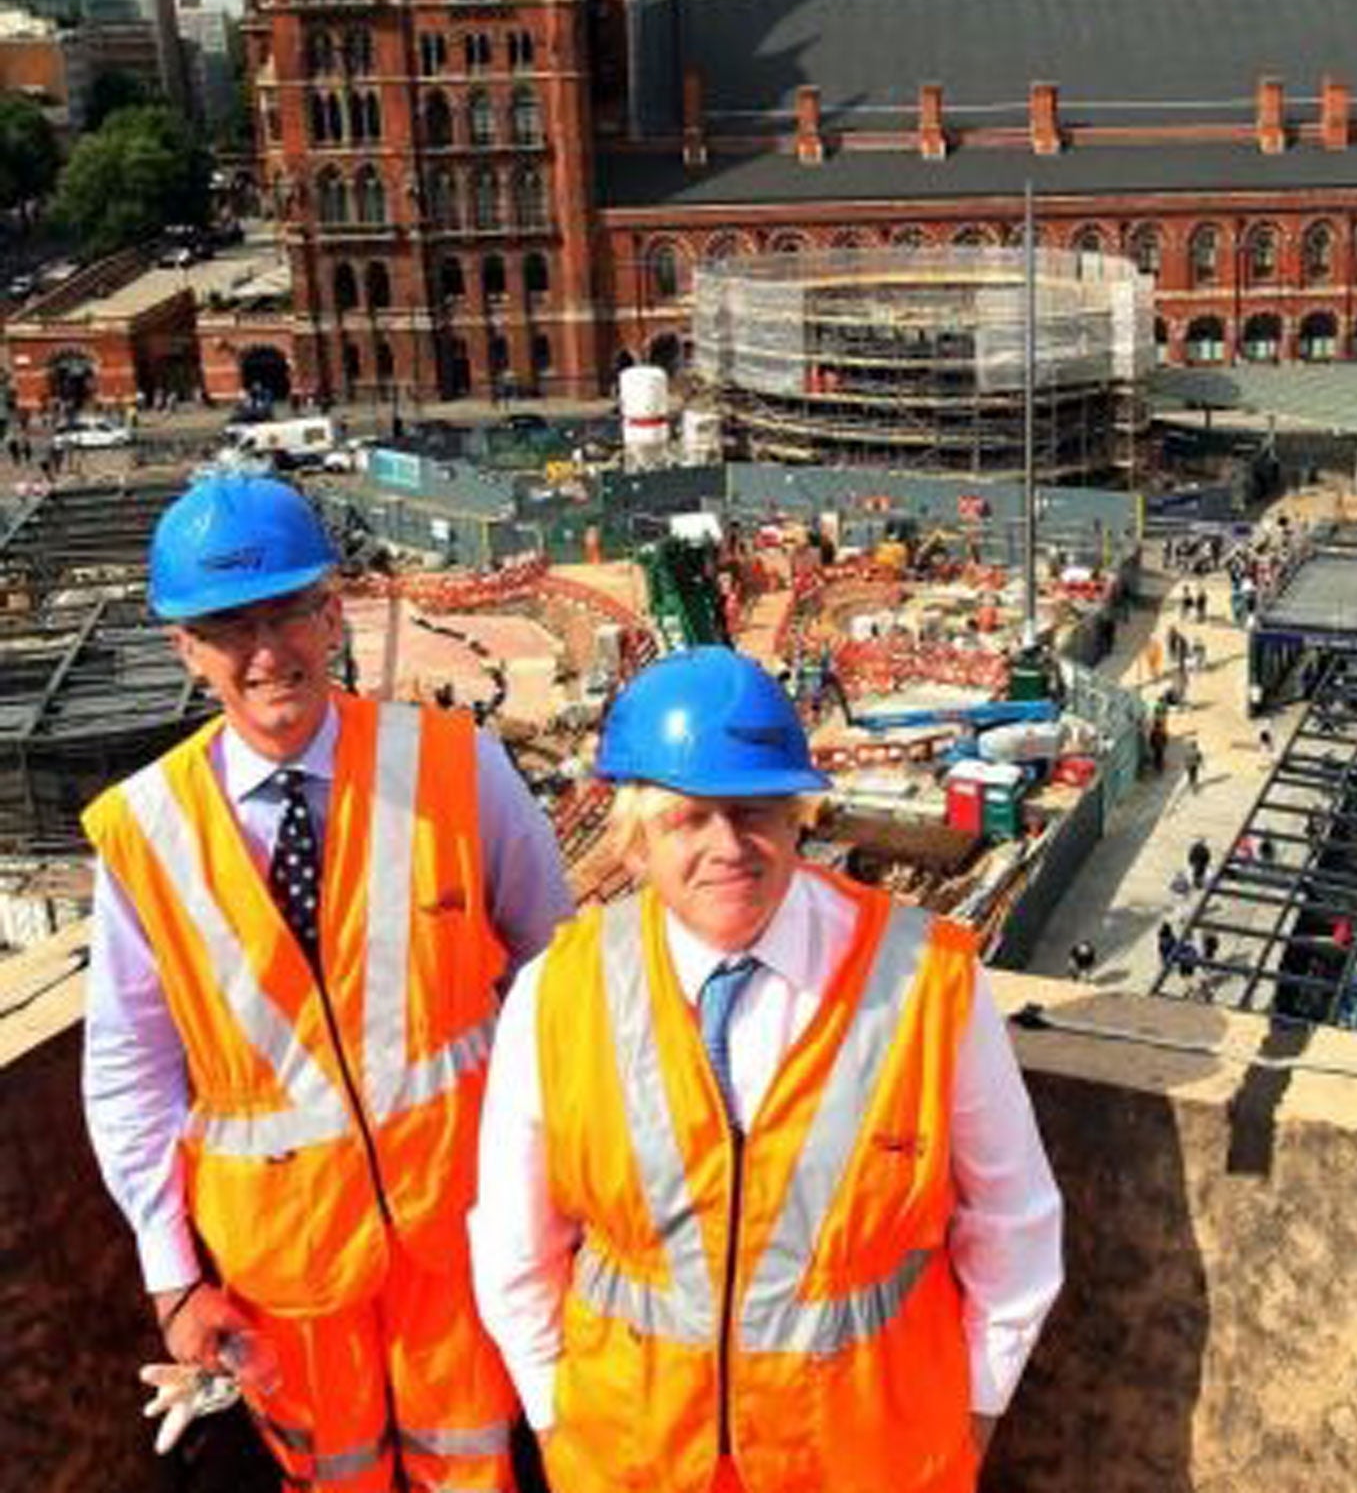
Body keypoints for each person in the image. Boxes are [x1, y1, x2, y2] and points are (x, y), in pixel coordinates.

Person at [470, 647, 1064, 1493]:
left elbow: (1015, 1221)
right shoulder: (559, 994)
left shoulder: (925, 982)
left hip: (865, 1460)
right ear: (634, 842)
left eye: (753, 811)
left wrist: (975, 1410)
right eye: (688, 819)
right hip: (633, 1458)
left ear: (796, 819)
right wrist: (551, 1409)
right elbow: (514, 1243)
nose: (728, 847)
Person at [81, 473, 573, 1492]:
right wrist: (172, 1278)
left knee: (476, 1470)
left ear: (332, 610)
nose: (267, 652)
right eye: (228, 628)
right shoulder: (143, 835)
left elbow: (557, 981)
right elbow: (131, 1076)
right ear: (186, 648)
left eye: (289, 611)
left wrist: (564, 1193)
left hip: (462, 1242)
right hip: (282, 1277)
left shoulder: (454, 769)